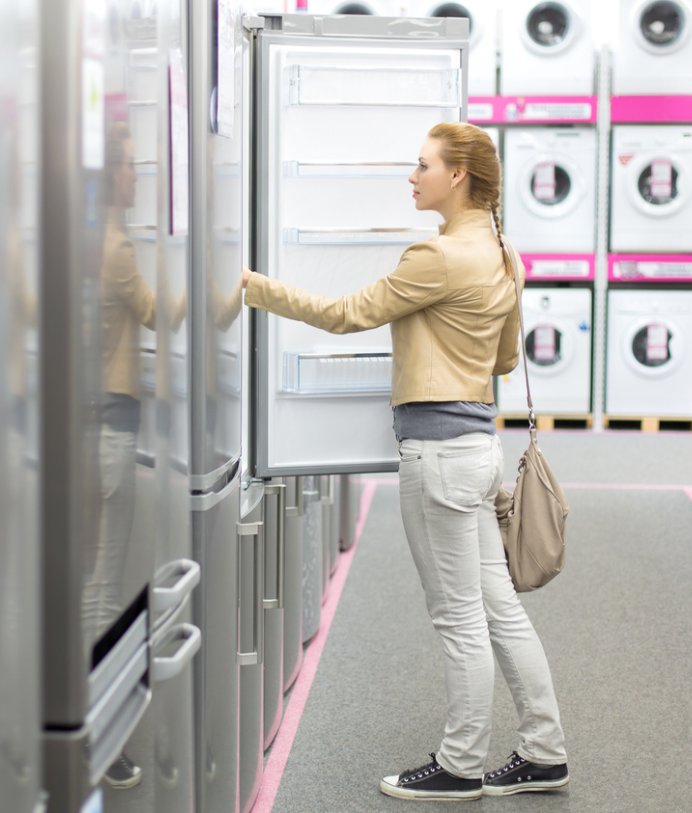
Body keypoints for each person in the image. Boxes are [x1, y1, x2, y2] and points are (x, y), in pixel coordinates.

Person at [241, 122, 569, 801]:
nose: (412, 176)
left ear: (459, 176)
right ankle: (543, 750)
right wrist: (447, 336)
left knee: (458, 616)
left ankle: (461, 763)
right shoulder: (505, 254)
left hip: (440, 455)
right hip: (479, 449)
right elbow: (505, 359)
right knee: (498, 608)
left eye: (422, 165)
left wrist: (257, 288)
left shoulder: (438, 256)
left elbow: (343, 314)